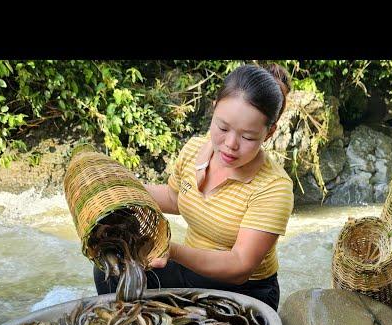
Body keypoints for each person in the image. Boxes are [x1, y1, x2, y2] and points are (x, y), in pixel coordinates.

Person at [93, 63, 295, 311]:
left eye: (248, 137)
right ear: (213, 109)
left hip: (244, 290)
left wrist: (172, 251)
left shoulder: (274, 187)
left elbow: (240, 266)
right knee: (113, 268)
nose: (230, 144)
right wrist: (124, 189)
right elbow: (173, 197)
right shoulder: (193, 151)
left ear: (269, 133)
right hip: (191, 271)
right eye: (222, 128)